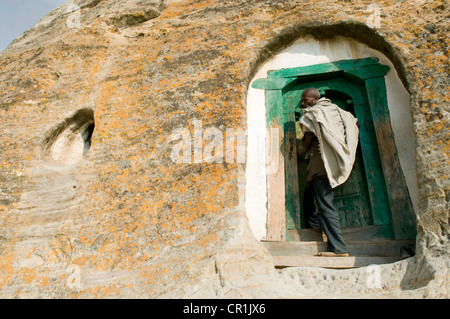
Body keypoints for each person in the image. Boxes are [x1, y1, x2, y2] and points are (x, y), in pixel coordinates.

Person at [297, 88, 359, 257]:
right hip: (328, 165)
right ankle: (317, 231)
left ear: (315, 99)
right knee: (309, 200)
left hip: (321, 168)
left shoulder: (315, 114)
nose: (303, 103)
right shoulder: (338, 112)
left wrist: (299, 151)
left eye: (306, 100)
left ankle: (338, 248)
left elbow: (307, 140)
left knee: (325, 205)